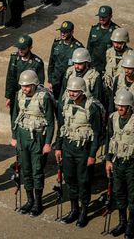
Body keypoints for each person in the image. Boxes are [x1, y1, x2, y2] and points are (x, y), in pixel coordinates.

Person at [55, 77, 102, 228]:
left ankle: (84, 211)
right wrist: (58, 147)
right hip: (68, 147)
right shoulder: (66, 105)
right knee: (69, 178)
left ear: (82, 91)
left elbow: (97, 134)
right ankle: (74, 209)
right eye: (70, 90)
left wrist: (92, 155)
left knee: (83, 181)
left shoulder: (91, 108)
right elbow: (62, 128)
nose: (72, 93)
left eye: (75, 91)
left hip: (83, 150)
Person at [11, 70, 55, 216]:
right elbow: (14, 116)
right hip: (22, 137)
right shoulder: (19, 95)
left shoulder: (44, 98)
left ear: (35, 84)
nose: (25, 89)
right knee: (26, 170)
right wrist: (14, 136)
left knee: (37, 171)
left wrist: (48, 143)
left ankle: (38, 202)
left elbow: (50, 122)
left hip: (37, 138)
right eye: (23, 86)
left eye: (28, 86)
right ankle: (29, 200)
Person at [105, 90, 134, 238]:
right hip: (117, 162)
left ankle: (131, 224)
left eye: (124, 106)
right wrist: (108, 160)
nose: (120, 109)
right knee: (119, 193)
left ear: (130, 107)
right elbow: (109, 139)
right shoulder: (113, 118)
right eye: (118, 105)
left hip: (132, 164)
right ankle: (122, 222)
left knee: (132, 196)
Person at [5, 35, 44, 122]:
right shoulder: (14, 58)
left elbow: (40, 83)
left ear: (30, 48)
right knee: (14, 117)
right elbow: (10, 77)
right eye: (19, 48)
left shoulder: (37, 62)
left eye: (23, 48)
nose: (20, 50)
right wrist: (9, 96)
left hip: (29, 95)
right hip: (15, 95)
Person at [47, 21, 83, 100]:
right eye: (61, 32)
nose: (62, 34)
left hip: (68, 81)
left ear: (72, 32)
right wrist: (50, 80)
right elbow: (51, 62)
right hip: (56, 80)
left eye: (65, 32)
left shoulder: (78, 47)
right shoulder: (57, 43)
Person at [87, 5, 119, 74]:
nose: (101, 19)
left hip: (108, 68)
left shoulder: (116, 31)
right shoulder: (94, 29)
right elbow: (89, 48)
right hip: (94, 67)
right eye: (100, 16)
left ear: (110, 16)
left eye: (104, 17)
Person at [104, 28, 133, 93]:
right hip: (108, 87)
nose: (116, 45)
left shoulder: (131, 55)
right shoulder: (109, 52)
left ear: (125, 42)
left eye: (119, 43)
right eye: (114, 42)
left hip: (122, 88)